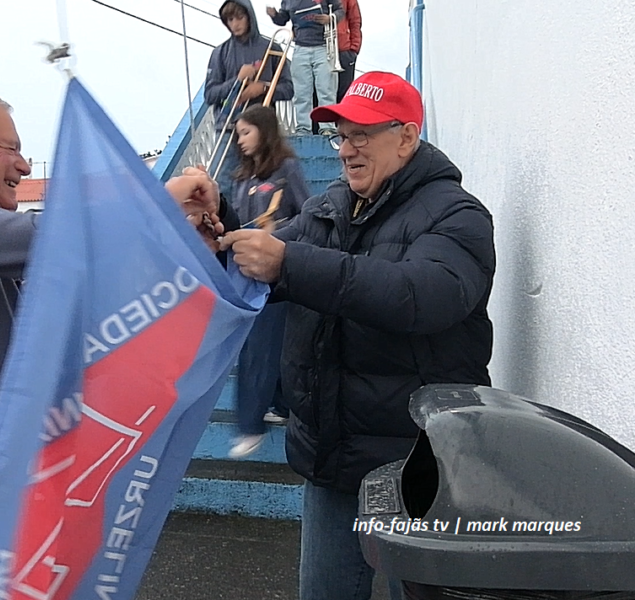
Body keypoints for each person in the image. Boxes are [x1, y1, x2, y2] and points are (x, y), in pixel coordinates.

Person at [0, 85, 224, 600]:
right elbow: (55, 238)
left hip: (13, 487)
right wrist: (162, 197)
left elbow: (85, 288)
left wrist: (183, 244)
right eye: (10, 148)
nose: (25, 166)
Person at [219, 72, 495, 600]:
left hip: (418, 468)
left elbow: (420, 295)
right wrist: (218, 231)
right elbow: (262, 261)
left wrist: (291, 264)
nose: (346, 149)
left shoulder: (458, 214)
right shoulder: (328, 207)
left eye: (362, 135)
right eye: (340, 135)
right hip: (334, 462)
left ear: (408, 137)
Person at [227, 105, 309, 458]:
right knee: (264, 344)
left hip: (277, 268)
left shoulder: (286, 170)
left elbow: (309, 216)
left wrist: (281, 235)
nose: (241, 140)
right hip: (247, 270)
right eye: (238, 134)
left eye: (247, 132)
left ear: (265, 130)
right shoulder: (242, 177)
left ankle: (249, 425)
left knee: (261, 346)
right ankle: (280, 405)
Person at [205, 0, 294, 203]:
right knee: (222, 186)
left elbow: (288, 89)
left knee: (264, 187)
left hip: (263, 131)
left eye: (239, 17)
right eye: (230, 19)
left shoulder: (272, 47)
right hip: (229, 128)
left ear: (250, 17)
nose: (235, 23)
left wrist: (262, 87)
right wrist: (237, 80)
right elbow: (210, 94)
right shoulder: (220, 53)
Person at [266, 0, 344, 136]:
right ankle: (303, 128)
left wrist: (330, 18)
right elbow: (282, 19)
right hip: (300, 48)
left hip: (323, 46)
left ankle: (328, 127)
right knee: (301, 92)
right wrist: (274, 15)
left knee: (326, 89)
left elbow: (340, 11)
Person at [335, 0, 362, 101]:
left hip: (344, 51)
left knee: (343, 96)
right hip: (318, 50)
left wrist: (353, 49)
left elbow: (355, 21)